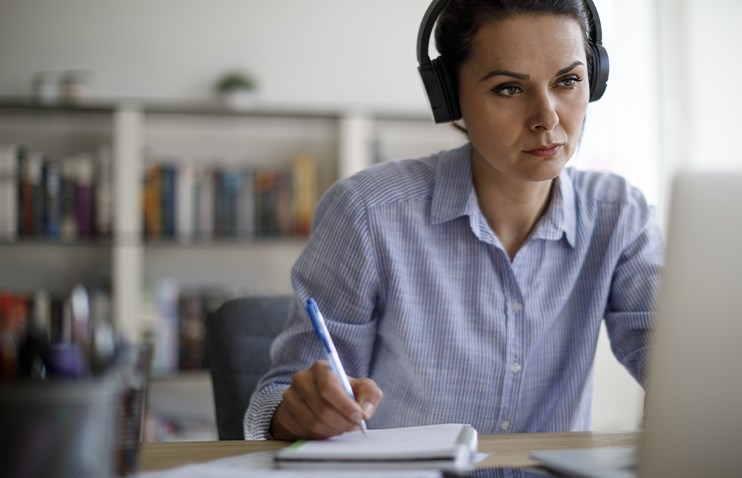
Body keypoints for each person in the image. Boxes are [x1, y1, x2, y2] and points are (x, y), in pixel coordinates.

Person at [244, 0, 663, 440]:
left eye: (569, 81)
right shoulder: (367, 213)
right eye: (509, 88)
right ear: (449, 97)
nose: (547, 117)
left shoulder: (621, 217)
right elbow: (279, 396)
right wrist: (295, 413)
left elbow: (670, 359)